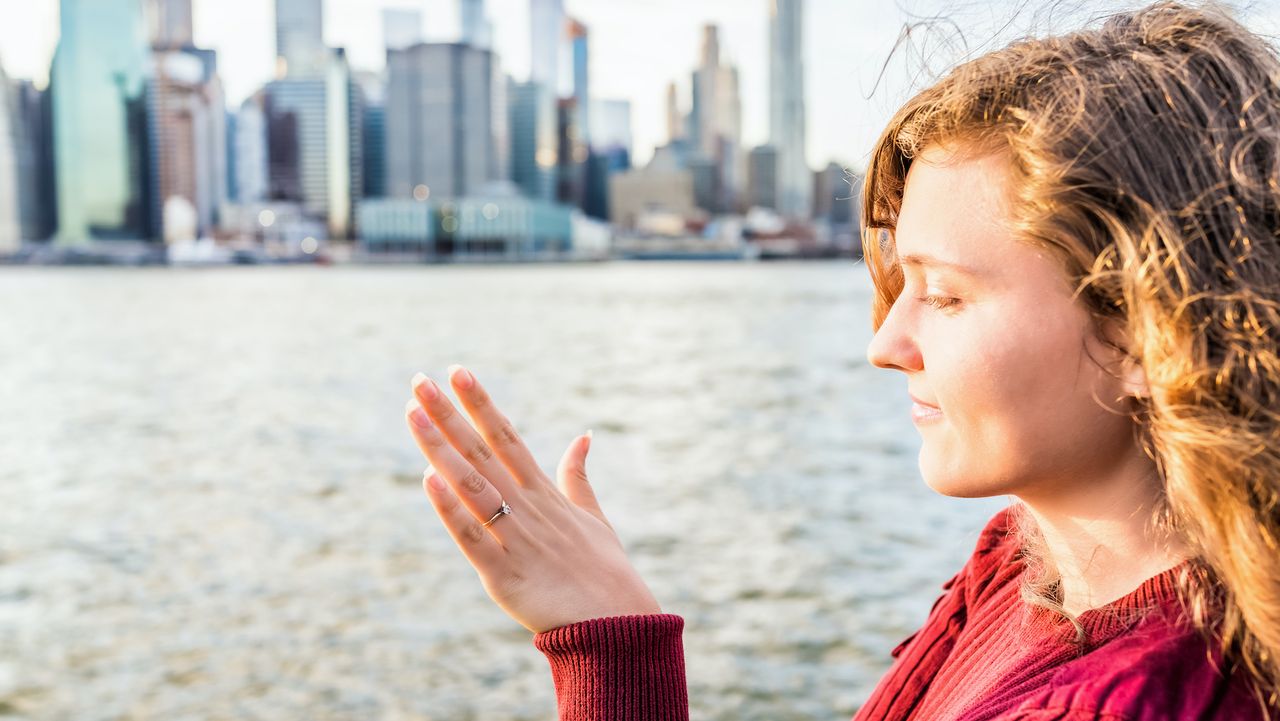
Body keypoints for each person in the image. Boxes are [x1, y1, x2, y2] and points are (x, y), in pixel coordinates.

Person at [402, 2, 1280, 718]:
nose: (885, 345)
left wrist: (610, 650)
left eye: (945, 295)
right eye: (900, 284)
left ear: (1143, 330)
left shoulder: (1140, 698)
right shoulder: (1028, 559)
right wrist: (611, 620)